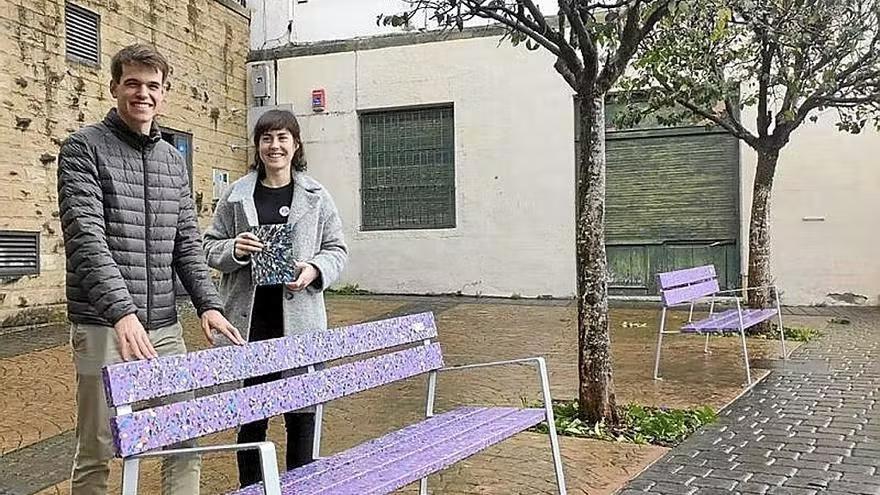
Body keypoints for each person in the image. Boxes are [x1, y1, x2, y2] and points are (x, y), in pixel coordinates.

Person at [57, 43, 244, 495]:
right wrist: (121, 313)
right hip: (104, 325)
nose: (143, 93)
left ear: (164, 93)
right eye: (133, 83)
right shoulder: (83, 149)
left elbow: (186, 241)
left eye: (153, 86)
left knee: (183, 440)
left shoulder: (172, 161)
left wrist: (208, 304)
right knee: (99, 448)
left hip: (163, 326)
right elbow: (86, 239)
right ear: (115, 87)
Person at [203, 109, 347, 487]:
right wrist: (234, 249)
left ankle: (304, 487)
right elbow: (208, 247)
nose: (274, 146)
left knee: (301, 417)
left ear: (295, 144)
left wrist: (314, 270)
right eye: (266, 138)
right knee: (252, 419)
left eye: (283, 138)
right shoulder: (236, 197)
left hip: (299, 324)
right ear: (258, 146)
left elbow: (337, 249)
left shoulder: (316, 196)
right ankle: (252, 488)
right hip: (251, 325)